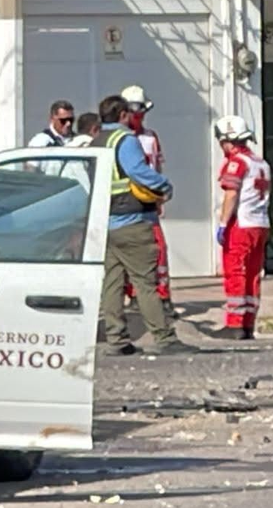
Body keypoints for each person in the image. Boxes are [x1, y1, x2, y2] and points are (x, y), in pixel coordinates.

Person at [93, 95, 193, 355]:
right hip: (133, 222)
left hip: (106, 223)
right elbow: (138, 171)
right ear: (123, 115)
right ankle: (165, 338)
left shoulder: (97, 141)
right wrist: (164, 185)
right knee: (145, 283)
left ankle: (117, 340)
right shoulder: (124, 140)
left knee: (112, 284)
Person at [213, 114, 271, 340]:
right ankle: (248, 323)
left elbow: (231, 194)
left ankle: (235, 324)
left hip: (241, 224)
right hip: (261, 224)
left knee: (235, 271)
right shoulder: (261, 163)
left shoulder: (236, 163)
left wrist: (222, 223)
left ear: (227, 140)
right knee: (253, 274)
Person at [119, 85, 174, 317]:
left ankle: (162, 296)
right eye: (134, 112)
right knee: (128, 251)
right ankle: (132, 294)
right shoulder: (120, 138)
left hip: (149, 201)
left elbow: (156, 166)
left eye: (141, 112)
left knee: (158, 250)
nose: (138, 117)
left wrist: (159, 198)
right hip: (127, 202)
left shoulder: (151, 138)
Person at [27, 100, 75, 175]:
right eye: (63, 120)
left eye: (71, 120)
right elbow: (30, 170)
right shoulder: (41, 142)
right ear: (52, 119)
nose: (68, 124)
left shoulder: (77, 140)